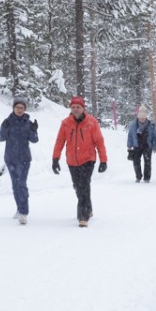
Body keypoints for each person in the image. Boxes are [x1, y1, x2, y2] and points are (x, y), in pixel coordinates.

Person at [52, 95, 108, 227]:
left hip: (87, 159)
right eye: (73, 107)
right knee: (78, 187)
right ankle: (88, 208)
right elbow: (60, 141)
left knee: (83, 185)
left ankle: (83, 216)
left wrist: (103, 160)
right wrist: (55, 159)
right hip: (72, 161)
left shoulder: (91, 122)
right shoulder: (66, 123)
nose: (76, 109)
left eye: (78, 107)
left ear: (83, 108)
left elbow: (99, 142)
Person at [0, 97, 38, 224]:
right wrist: (4, 127)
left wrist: (34, 130)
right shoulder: (8, 122)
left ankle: (24, 212)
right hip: (11, 159)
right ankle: (19, 208)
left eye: (22, 108)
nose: (20, 110)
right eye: (17, 107)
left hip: (25, 159)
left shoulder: (28, 123)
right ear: (13, 108)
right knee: (15, 185)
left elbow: (34, 140)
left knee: (21, 184)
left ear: (25, 109)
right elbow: (0, 138)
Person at [126, 106, 156, 182]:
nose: (142, 119)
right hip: (137, 145)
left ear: (146, 118)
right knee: (136, 161)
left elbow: (154, 136)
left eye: (143, 118)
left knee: (147, 162)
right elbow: (130, 136)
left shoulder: (150, 125)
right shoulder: (134, 125)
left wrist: (154, 145)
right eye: (140, 118)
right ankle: (138, 176)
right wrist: (129, 146)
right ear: (138, 117)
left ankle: (147, 178)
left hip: (147, 146)